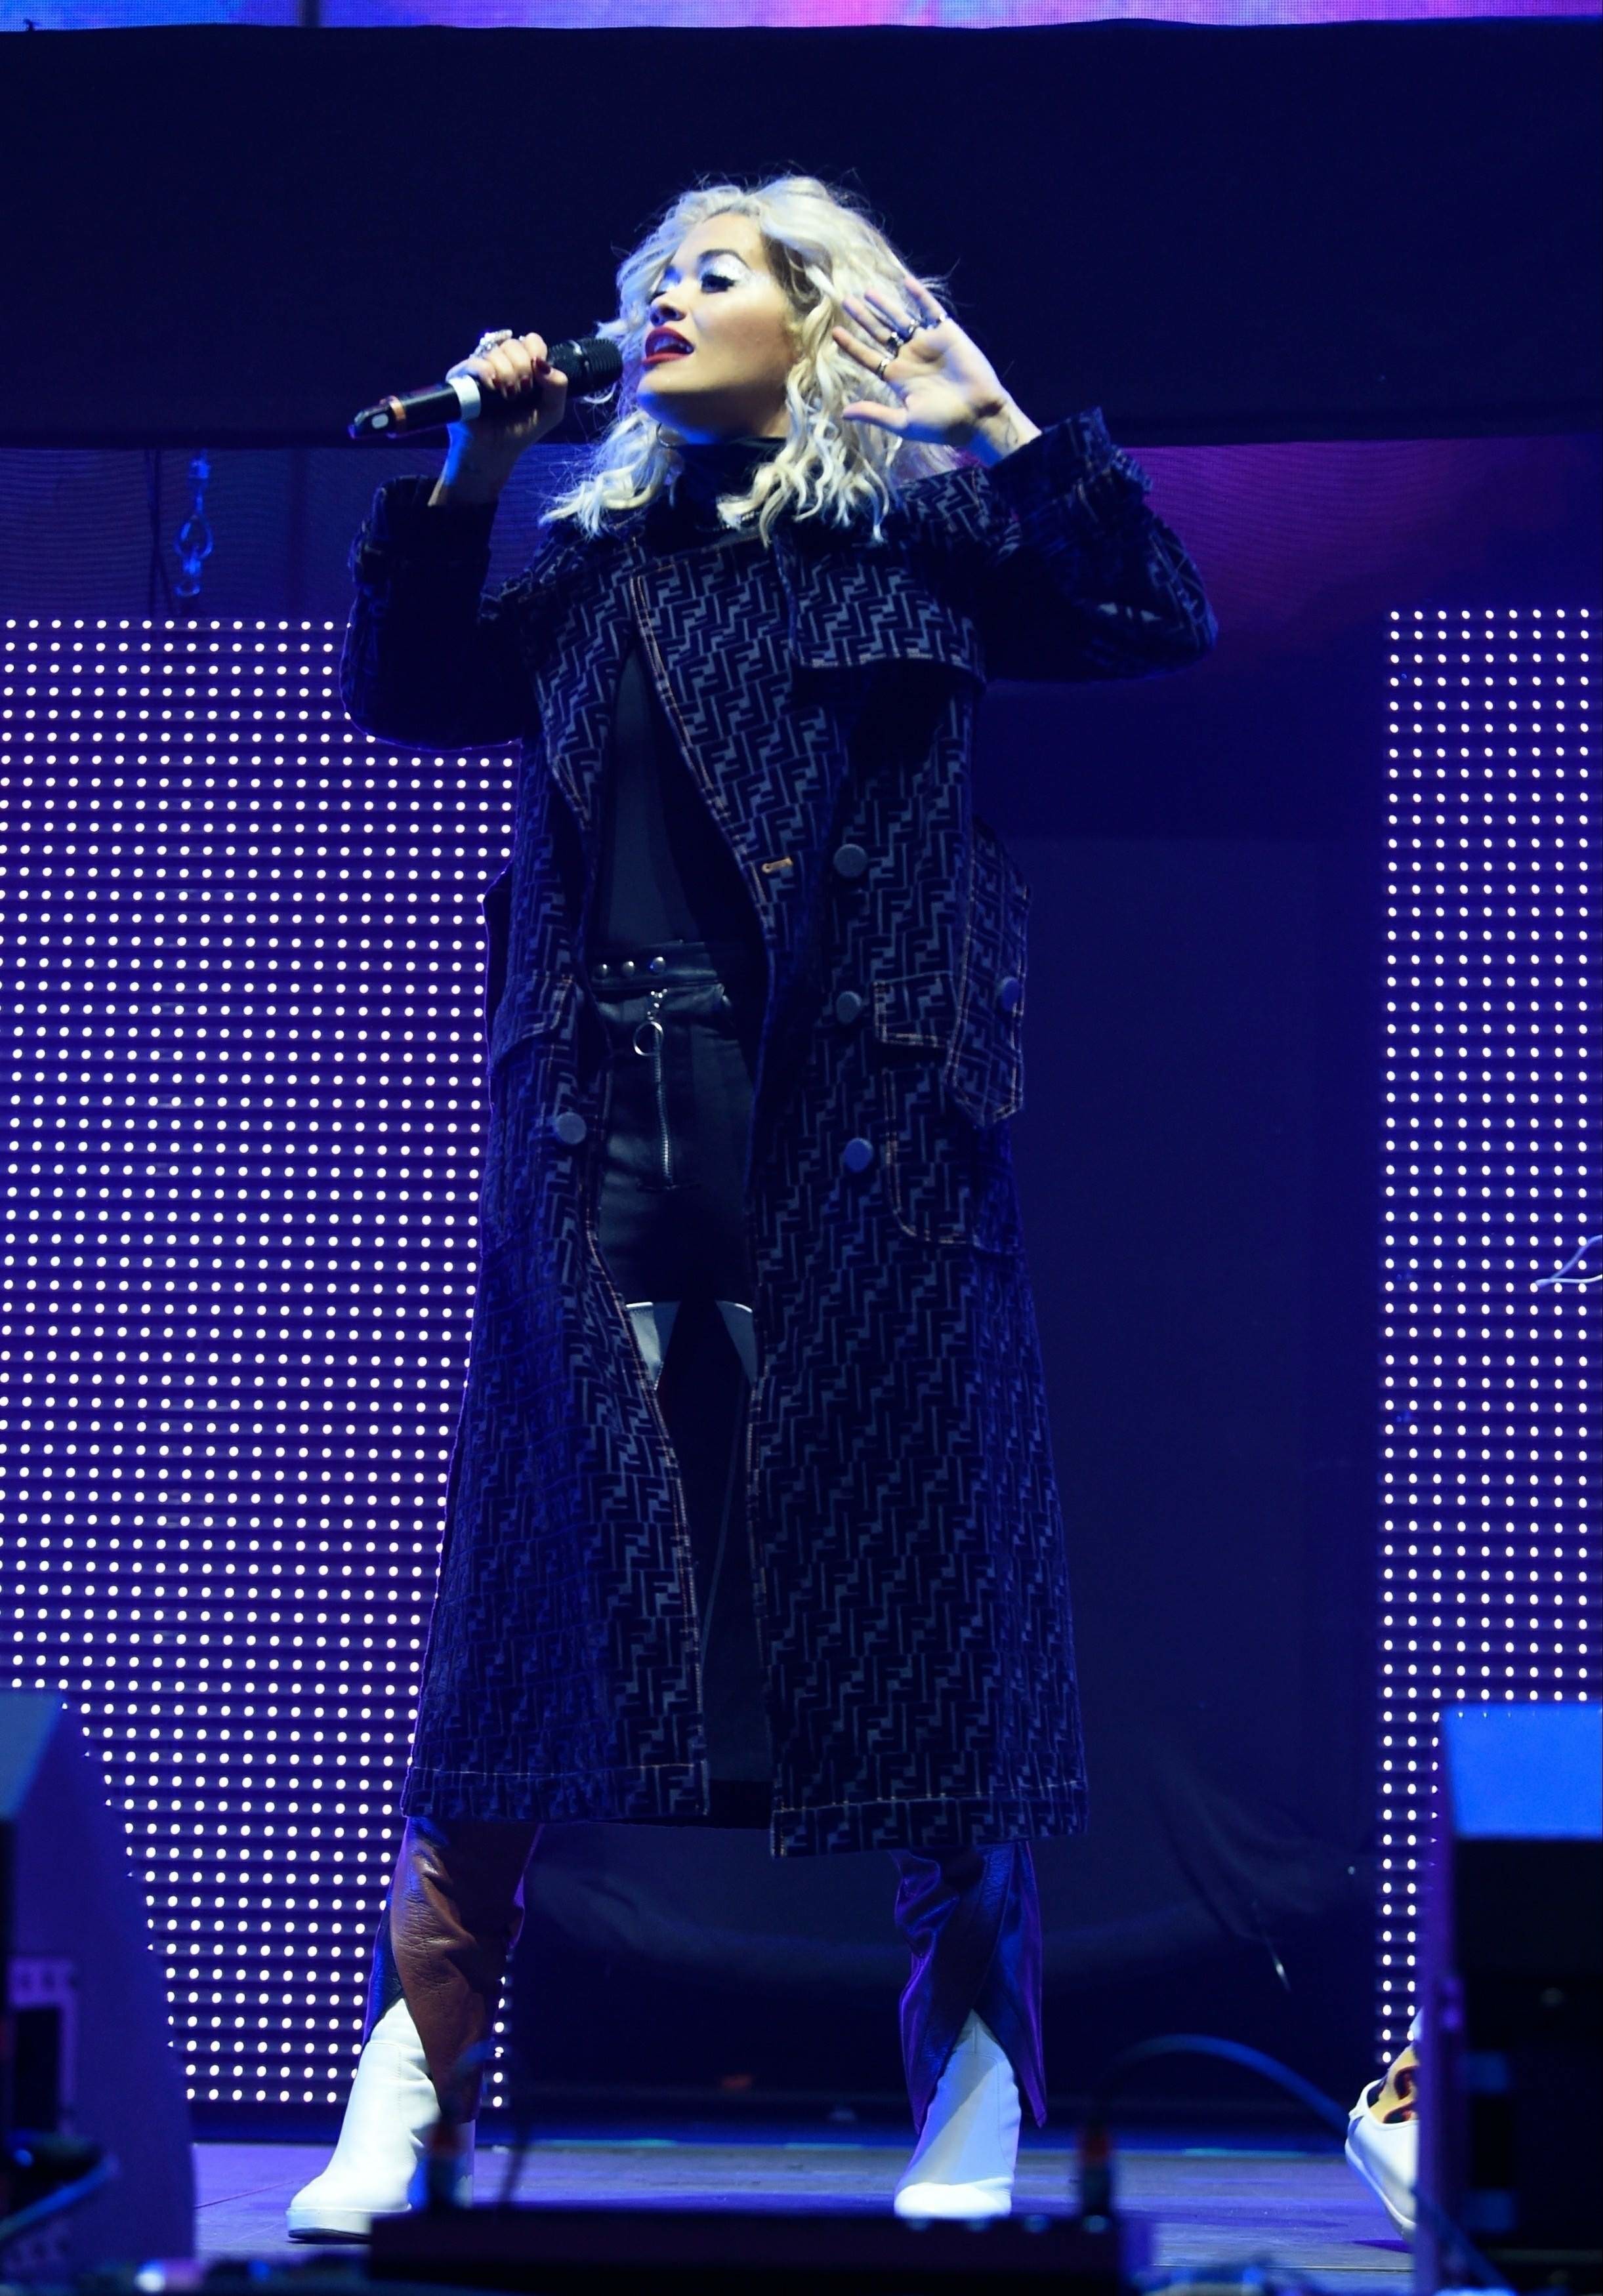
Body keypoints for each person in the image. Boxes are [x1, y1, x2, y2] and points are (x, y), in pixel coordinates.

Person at [289, 173, 1216, 2241]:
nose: (660, 300)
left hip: (864, 1151)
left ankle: (969, 2079)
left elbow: (1156, 616)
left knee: (922, 1633)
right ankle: (409, 2079)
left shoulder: (926, 542)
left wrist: (999, 428)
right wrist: (472, 464)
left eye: (711, 274)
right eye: (647, 280)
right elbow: (406, 693)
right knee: (531, 1629)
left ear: (819, 320)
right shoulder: (588, 560)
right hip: (610, 1141)